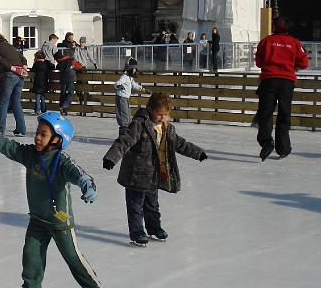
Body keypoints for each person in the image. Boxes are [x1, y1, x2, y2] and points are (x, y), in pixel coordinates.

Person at [0, 113, 107, 288]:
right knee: (31, 255)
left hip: (60, 222)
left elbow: (78, 173)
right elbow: (9, 147)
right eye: (37, 133)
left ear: (57, 139)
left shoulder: (61, 161)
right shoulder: (31, 154)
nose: (37, 138)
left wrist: (87, 184)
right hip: (38, 219)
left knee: (73, 258)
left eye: (43, 134)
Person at [102, 92, 207, 247]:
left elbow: (180, 143)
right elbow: (124, 141)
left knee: (152, 205)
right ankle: (137, 232)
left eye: (166, 114)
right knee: (135, 206)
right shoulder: (139, 125)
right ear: (150, 110)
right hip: (135, 175)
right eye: (159, 114)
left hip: (153, 175)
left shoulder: (167, 128)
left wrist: (198, 152)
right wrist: (111, 157)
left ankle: (154, 228)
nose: (163, 117)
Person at [254, 17, 309, 161]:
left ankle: (266, 142)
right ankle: (283, 148)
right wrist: (291, 66)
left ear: (274, 27)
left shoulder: (266, 41)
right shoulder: (294, 43)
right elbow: (304, 63)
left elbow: (259, 62)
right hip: (287, 82)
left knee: (265, 113)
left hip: (269, 80)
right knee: (284, 114)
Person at [0, 30, 28, 136]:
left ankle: (0, 131)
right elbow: (23, 58)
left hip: (10, 75)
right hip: (20, 76)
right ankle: (21, 129)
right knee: (16, 102)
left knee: (3, 103)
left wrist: (12, 68)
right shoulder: (9, 45)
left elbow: (2, 62)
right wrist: (23, 67)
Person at [115, 66, 148, 136]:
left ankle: (127, 134)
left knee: (128, 116)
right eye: (134, 69)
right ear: (130, 69)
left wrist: (143, 89)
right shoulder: (124, 77)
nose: (135, 71)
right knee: (124, 116)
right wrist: (119, 86)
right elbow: (117, 83)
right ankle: (123, 134)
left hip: (125, 98)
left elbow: (134, 85)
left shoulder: (130, 78)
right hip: (121, 98)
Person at [31, 51, 53, 116]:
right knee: (42, 97)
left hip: (37, 81)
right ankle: (43, 109)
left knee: (37, 97)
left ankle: (37, 110)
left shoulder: (36, 64)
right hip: (44, 81)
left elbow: (33, 70)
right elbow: (52, 66)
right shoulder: (46, 63)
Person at [55, 50, 76, 116]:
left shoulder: (60, 63)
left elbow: (57, 67)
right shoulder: (71, 60)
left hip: (63, 79)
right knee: (70, 93)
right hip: (70, 78)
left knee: (63, 93)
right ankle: (65, 105)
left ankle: (62, 107)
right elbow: (79, 66)